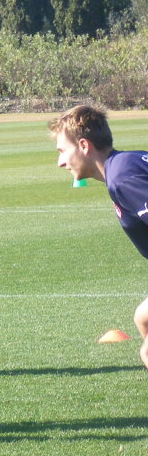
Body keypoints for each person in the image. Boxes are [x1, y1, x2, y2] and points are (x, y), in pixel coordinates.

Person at [50, 105, 148, 371]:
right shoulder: (127, 162)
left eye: (62, 151)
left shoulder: (122, 178)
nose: (60, 162)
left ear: (83, 145)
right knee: (143, 318)